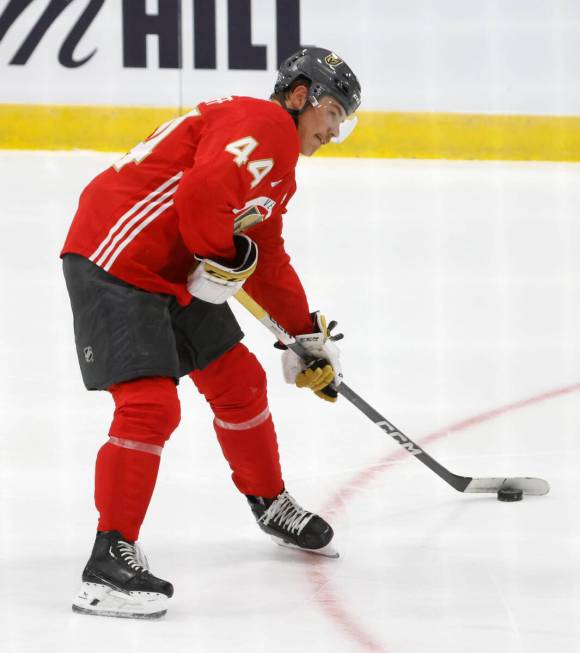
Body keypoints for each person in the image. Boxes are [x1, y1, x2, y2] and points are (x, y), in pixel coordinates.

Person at [61, 46, 361, 619]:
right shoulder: (265, 124)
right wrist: (219, 254)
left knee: (240, 381)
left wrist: (303, 336)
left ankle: (270, 503)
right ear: (299, 97)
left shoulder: (277, 163)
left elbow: (265, 256)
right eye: (332, 113)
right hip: (116, 256)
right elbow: (203, 199)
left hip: (171, 265)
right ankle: (106, 563)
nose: (334, 129)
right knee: (149, 406)